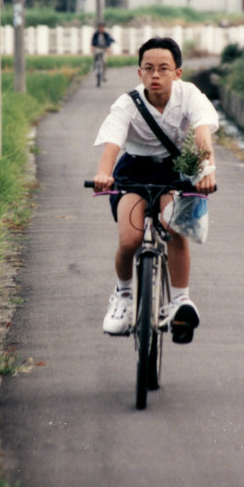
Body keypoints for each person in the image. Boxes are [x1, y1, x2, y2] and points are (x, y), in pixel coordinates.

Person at [92, 36, 218, 344]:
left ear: (178, 72)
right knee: (130, 239)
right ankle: (122, 296)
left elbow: (202, 135)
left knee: (174, 225)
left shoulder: (189, 95)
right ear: (139, 73)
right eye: (148, 68)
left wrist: (206, 171)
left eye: (164, 68)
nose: (155, 75)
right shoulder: (128, 103)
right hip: (133, 170)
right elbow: (113, 142)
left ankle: (179, 301)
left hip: (174, 170)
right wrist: (103, 174)